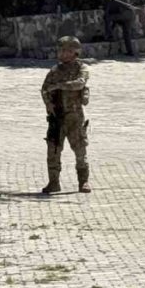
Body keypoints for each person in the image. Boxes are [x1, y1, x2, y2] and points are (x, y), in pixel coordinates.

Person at [40, 36, 92, 194]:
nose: (61, 54)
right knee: (53, 150)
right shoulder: (55, 71)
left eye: (65, 50)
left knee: (80, 149)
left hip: (74, 116)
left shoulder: (81, 68)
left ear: (73, 52)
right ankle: (53, 182)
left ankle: (83, 182)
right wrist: (48, 104)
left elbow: (80, 83)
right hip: (57, 117)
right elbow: (44, 89)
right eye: (61, 50)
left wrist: (60, 86)